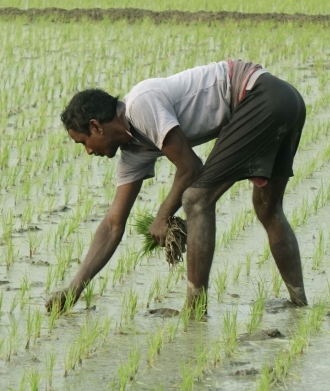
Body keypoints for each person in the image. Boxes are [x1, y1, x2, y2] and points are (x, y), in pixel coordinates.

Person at [46, 60, 309, 316]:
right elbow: (113, 224)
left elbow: (191, 167)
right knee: (268, 209)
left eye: (84, 142)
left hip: (261, 96)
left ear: (96, 126)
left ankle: (195, 310)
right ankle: (299, 304)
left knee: (196, 199)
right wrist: (74, 289)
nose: (89, 151)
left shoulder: (140, 104)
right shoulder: (133, 151)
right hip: (286, 101)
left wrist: (163, 216)